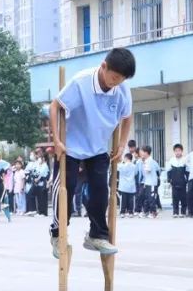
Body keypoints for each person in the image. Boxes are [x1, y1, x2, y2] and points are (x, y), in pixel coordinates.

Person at [48, 47, 135, 258]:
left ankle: (96, 235)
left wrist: (121, 144)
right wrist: (57, 140)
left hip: (97, 147)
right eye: (114, 77)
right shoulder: (81, 82)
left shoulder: (122, 89)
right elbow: (55, 106)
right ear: (104, 66)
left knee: (100, 190)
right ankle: (58, 234)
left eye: (121, 80)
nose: (115, 83)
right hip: (71, 146)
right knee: (66, 188)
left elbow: (127, 116)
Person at [137, 145, 160, 218]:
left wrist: (143, 163)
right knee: (146, 198)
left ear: (146, 153)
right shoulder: (146, 161)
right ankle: (146, 212)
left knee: (151, 198)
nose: (141, 153)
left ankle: (153, 212)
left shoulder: (149, 161)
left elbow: (148, 171)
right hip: (147, 182)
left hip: (152, 183)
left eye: (142, 152)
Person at [166, 144, 188, 217]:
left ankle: (183, 212)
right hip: (174, 182)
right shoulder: (171, 160)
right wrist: (169, 180)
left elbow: (187, 171)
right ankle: (175, 212)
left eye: (179, 151)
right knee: (175, 198)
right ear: (174, 152)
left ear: (182, 151)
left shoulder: (185, 160)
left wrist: (187, 180)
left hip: (183, 182)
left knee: (183, 198)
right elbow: (169, 171)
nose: (177, 152)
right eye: (176, 151)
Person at [118, 153, 138, 217]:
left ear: (126, 158)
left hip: (123, 186)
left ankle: (122, 212)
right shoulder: (134, 166)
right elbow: (136, 173)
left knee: (123, 200)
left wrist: (120, 161)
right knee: (131, 200)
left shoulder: (121, 166)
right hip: (131, 186)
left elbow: (117, 168)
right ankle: (131, 213)